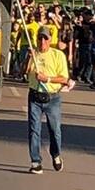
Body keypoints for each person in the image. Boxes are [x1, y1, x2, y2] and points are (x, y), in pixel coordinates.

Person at [26, 27, 69, 174]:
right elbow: (21, 72)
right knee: (34, 130)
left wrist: (47, 78)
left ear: (50, 39)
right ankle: (36, 161)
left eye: (45, 38)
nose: (42, 41)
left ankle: (56, 154)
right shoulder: (34, 54)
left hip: (52, 97)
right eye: (40, 38)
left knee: (55, 130)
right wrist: (29, 58)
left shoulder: (58, 55)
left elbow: (64, 79)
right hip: (35, 96)